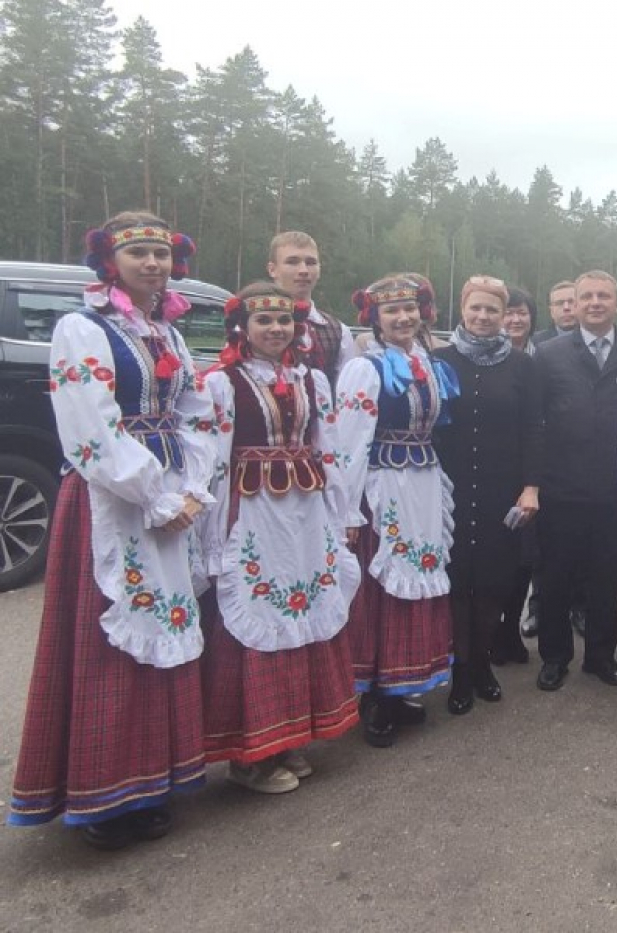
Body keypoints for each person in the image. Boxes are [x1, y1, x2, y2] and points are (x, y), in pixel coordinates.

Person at [8, 211, 216, 849]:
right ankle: (105, 795)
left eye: (160, 253)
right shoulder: (82, 328)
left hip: (168, 499)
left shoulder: (169, 336)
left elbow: (195, 411)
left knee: (167, 629)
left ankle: (155, 776)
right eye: (139, 254)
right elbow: (89, 427)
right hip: (112, 502)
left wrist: (190, 490)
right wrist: (154, 496)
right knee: (114, 640)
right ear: (110, 261)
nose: (153, 264)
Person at [199, 283, 361, 794]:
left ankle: (291, 737)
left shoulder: (312, 380)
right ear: (241, 328)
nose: (275, 329)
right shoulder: (223, 383)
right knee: (258, 612)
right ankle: (251, 754)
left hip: (305, 516)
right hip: (254, 516)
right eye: (263, 321)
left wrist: (341, 513)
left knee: (305, 610)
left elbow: (328, 448)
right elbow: (214, 458)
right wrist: (213, 530)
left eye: (284, 321)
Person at [338, 275, 459, 747]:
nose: (403, 318)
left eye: (409, 309)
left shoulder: (426, 362)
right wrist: (348, 509)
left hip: (425, 481)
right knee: (383, 587)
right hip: (383, 486)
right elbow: (349, 444)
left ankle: (403, 682)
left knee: (421, 576)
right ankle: (375, 695)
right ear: (375, 319)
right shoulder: (364, 369)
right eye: (392, 312)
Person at [434, 275, 543, 711]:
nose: (483, 317)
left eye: (492, 310)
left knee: (494, 583)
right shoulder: (438, 360)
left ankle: (482, 664)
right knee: (457, 583)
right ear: (462, 308)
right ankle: (460, 671)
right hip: (450, 488)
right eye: (475, 308)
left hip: (504, 488)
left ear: (504, 317)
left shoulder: (523, 366)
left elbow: (535, 428)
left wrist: (532, 487)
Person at [535, 271, 617, 691]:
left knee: (607, 578)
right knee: (555, 578)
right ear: (573, 305)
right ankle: (554, 657)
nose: (595, 303)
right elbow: (535, 423)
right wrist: (534, 482)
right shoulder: (548, 353)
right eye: (587, 297)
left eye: (604, 296)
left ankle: (600, 655)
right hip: (561, 489)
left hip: (615, 489)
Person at [500, 286, 543, 642]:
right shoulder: (479, 358)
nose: (515, 319)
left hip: (532, 469)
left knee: (526, 555)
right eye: (508, 312)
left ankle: (511, 628)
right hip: (491, 467)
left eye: (522, 312)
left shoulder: (544, 358)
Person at [267, 231, 358, 385]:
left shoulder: (339, 332)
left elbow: (347, 391)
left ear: (319, 269)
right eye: (292, 262)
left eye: (310, 262)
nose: (303, 270)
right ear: (272, 270)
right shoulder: (249, 325)